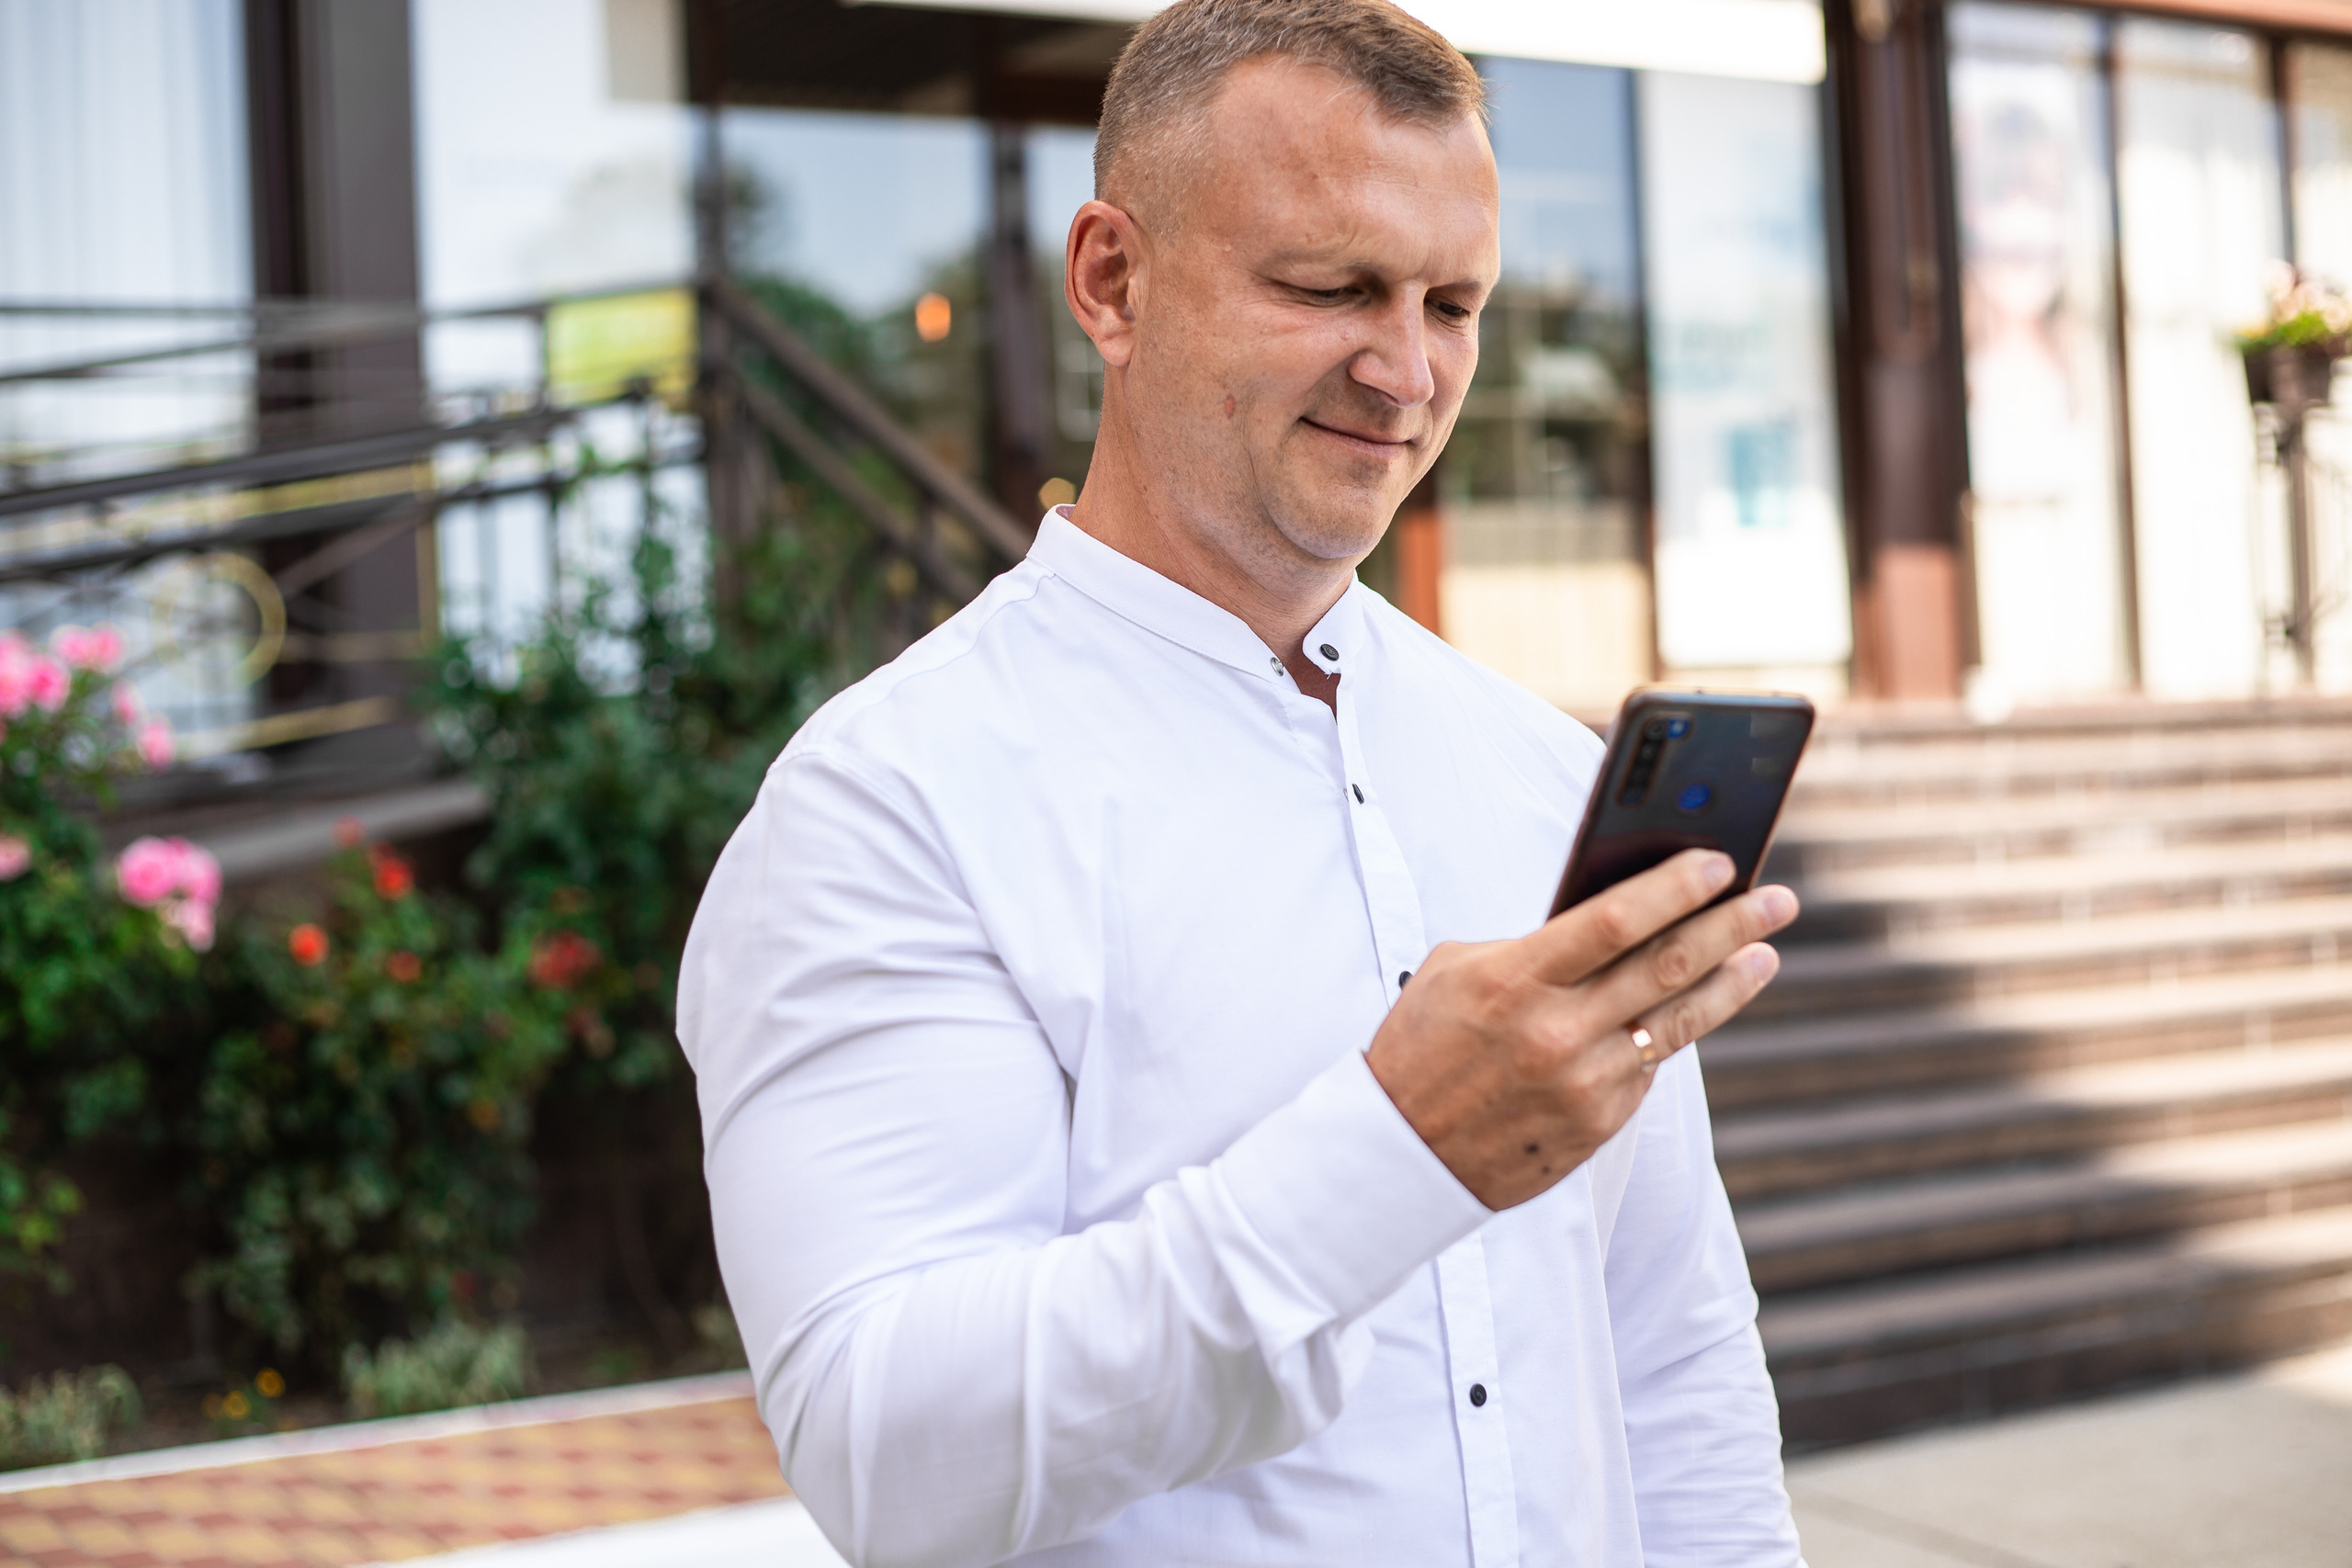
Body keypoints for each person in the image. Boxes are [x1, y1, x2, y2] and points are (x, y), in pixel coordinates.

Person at [679, 1, 1806, 1562]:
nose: (1407, 371)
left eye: (1455, 303)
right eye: (1330, 286)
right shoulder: (886, 810)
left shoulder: (1544, 771)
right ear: (1111, 281)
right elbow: (893, 1462)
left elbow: (1673, 1361)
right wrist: (1390, 1150)